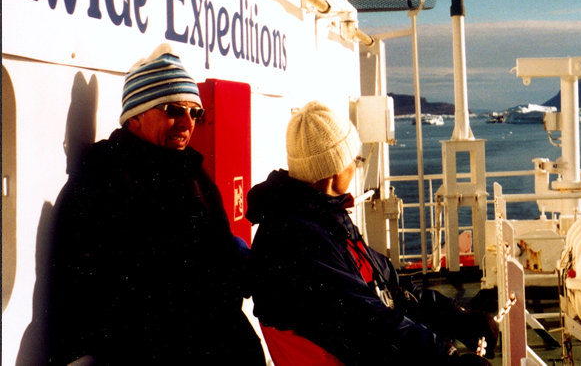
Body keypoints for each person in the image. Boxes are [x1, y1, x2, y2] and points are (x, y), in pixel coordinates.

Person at [46, 44, 266, 365]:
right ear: (135, 116)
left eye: (195, 112)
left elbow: (213, 251)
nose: (187, 122)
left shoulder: (193, 174)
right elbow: (100, 293)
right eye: (173, 110)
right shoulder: (104, 183)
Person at [248, 101, 497, 365]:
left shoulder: (323, 219)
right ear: (335, 170)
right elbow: (366, 321)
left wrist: (456, 318)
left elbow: (390, 284)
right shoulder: (299, 239)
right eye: (353, 159)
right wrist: (446, 357)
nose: (356, 166)